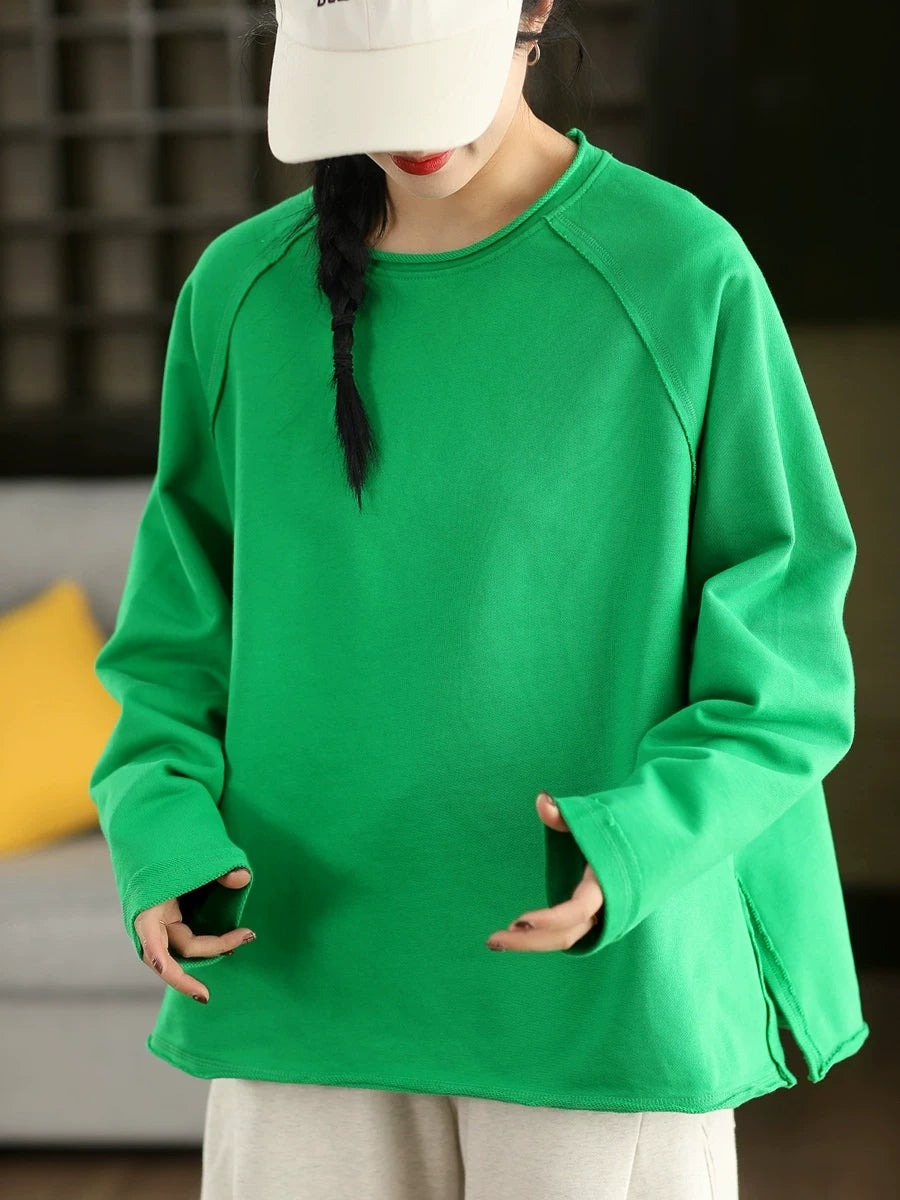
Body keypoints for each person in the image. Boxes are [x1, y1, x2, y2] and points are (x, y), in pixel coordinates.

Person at [88, 1, 870, 1196]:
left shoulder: (678, 270)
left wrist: (639, 841)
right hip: (300, 974)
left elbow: (787, 661)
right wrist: (159, 833)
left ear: (533, 10)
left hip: (599, 986)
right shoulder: (239, 293)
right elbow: (173, 642)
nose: (409, 131)